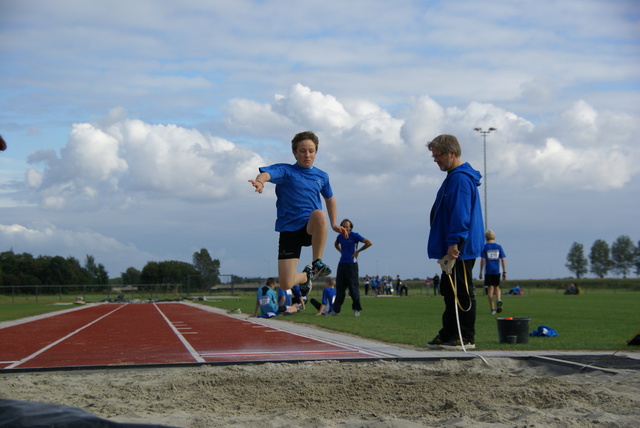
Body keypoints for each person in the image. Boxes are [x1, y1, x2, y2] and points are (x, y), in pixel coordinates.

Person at [249, 131, 348, 297]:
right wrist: (260, 182)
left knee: (318, 214)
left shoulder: (322, 176)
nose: (307, 155)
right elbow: (266, 174)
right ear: (295, 153)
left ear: (316, 152)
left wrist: (334, 224)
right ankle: (307, 275)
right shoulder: (286, 171)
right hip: (288, 229)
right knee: (286, 283)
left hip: (309, 227)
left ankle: (316, 262)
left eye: (311, 151)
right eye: (302, 151)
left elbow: (330, 199)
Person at [425, 134, 484, 350]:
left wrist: (454, 243)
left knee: (461, 292)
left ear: (451, 153)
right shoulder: (453, 177)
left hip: (460, 248)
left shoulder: (460, 179)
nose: (435, 160)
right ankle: (449, 332)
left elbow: (460, 215)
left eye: (438, 155)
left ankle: (465, 336)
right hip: (452, 246)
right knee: (449, 291)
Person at [332, 218, 371, 316]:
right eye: (343, 226)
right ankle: (336, 311)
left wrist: (358, 251)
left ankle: (356, 310)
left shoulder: (354, 235)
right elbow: (336, 244)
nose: (345, 228)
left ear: (350, 228)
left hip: (352, 265)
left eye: (347, 227)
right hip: (341, 264)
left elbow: (368, 242)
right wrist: (340, 251)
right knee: (340, 288)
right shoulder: (340, 236)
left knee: (353, 288)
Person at [479, 229, 507, 314]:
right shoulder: (498, 247)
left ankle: (492, 309)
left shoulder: (485, 247)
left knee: (490, 289)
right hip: (496, 271)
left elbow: (483, 260)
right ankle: (498, 299)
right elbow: (502, 259)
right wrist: (504, 271)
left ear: (486, 237)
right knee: (497, 288)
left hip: (488, 271)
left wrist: (480, 271)